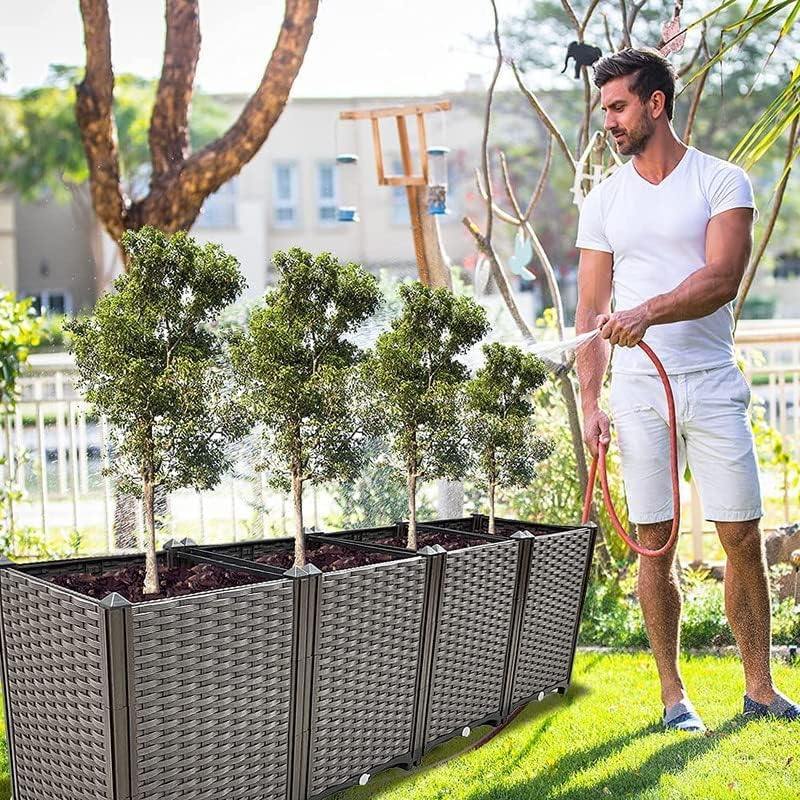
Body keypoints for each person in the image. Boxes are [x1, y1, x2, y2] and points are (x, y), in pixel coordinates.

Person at [574, 47, 800, 731]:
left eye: (617, 106)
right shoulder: (604, 201)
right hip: (640, 390)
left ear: (655, 103)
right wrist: (591, 401)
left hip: (709, 382)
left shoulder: (720, 181)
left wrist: (645, 312)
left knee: (740, 534)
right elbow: (589, 312)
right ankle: (674, 699)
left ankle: (759, 690)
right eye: (603, 108)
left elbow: (721, 278)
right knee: (657, 540)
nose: (607, 121)